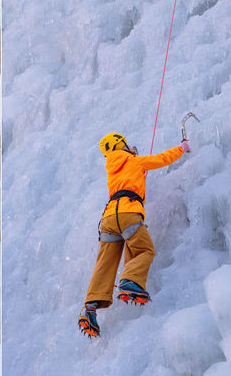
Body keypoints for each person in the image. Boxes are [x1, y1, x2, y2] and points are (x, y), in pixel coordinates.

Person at [78, 131, 190, 338]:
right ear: (122, 145)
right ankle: (129, 282)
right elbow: (161, 159)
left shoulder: (111, 167)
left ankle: (90, 308)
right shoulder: (134, 160)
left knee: (105, 264)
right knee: (144, 250)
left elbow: (127, 179)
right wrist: (182, 148)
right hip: (129, 214)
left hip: (108, 219)